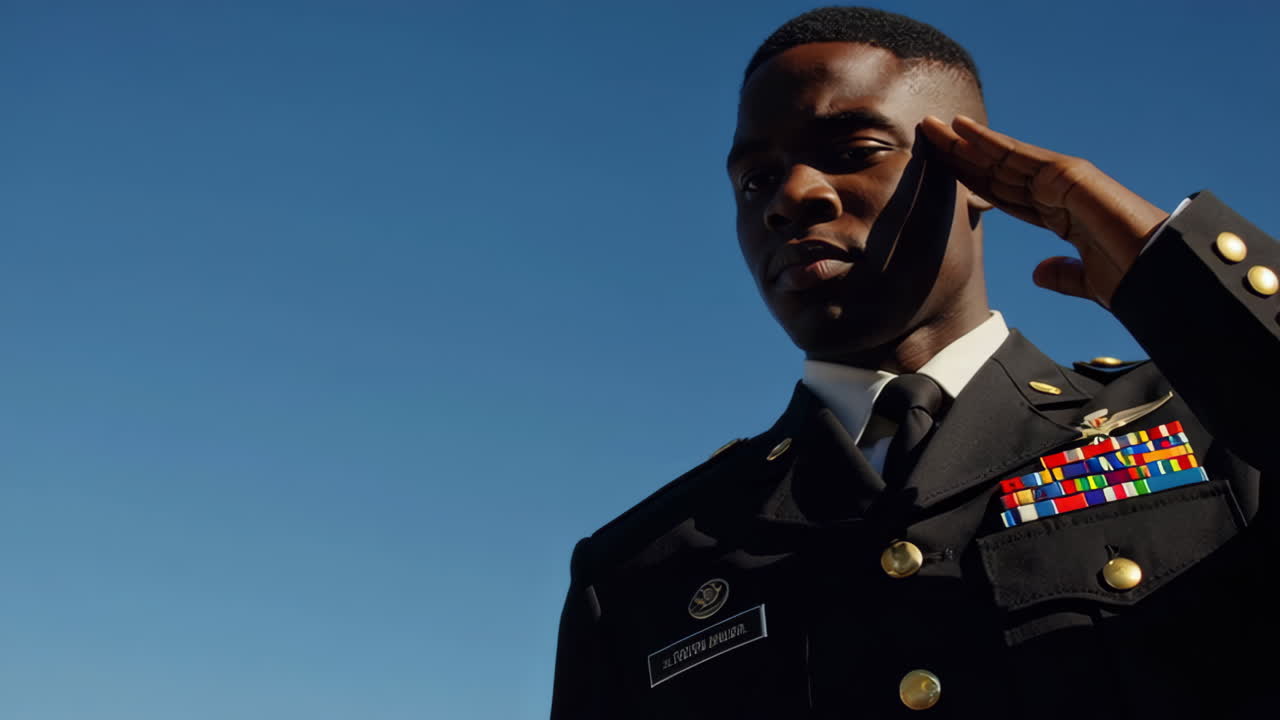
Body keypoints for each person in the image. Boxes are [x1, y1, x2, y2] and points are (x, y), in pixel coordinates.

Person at [550, 6, 1279, 719]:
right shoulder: (640, 567)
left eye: (852, 153)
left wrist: (1170, 267)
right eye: (755, 180)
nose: (790, 198)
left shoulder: (1206, 431)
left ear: (979, 176)